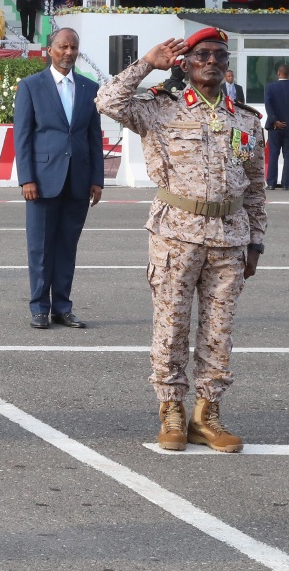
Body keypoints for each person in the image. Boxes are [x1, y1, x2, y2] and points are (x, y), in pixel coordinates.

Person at [95, 28, 266, 453]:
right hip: (176, 235)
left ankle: (206, 415)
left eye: (220, 56)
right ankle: (171, 409)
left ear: (228, 65)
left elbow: (256, 187)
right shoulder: (160, 110)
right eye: (202, 55)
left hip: (230, 238)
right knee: (171, 325)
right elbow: (107, 101)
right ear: (185, 65)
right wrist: (146, 64)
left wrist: (257, 242)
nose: (212, 61)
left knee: (218, 331)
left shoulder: (245, 120)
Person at [14, 28, 103, 330]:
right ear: (49, 50)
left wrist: (97, 179)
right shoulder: (30, 87)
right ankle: (39, 307)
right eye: (63, 47)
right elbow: (22, 137)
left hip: (78, 180)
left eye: (74, 47)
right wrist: (26, 178)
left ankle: (62, 307)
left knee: (67, 247)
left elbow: (93, 138)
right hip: (41, 181)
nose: (69, 53)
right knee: (40, 247)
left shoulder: (90, 88)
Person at [266, 64, 289, 189]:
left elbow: (268, 105)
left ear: (278, 73)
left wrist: (274, 121)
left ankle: (271, 183)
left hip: (275, 128)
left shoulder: (270, 87)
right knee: (288, 155)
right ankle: (286, 184)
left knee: (273, 155)